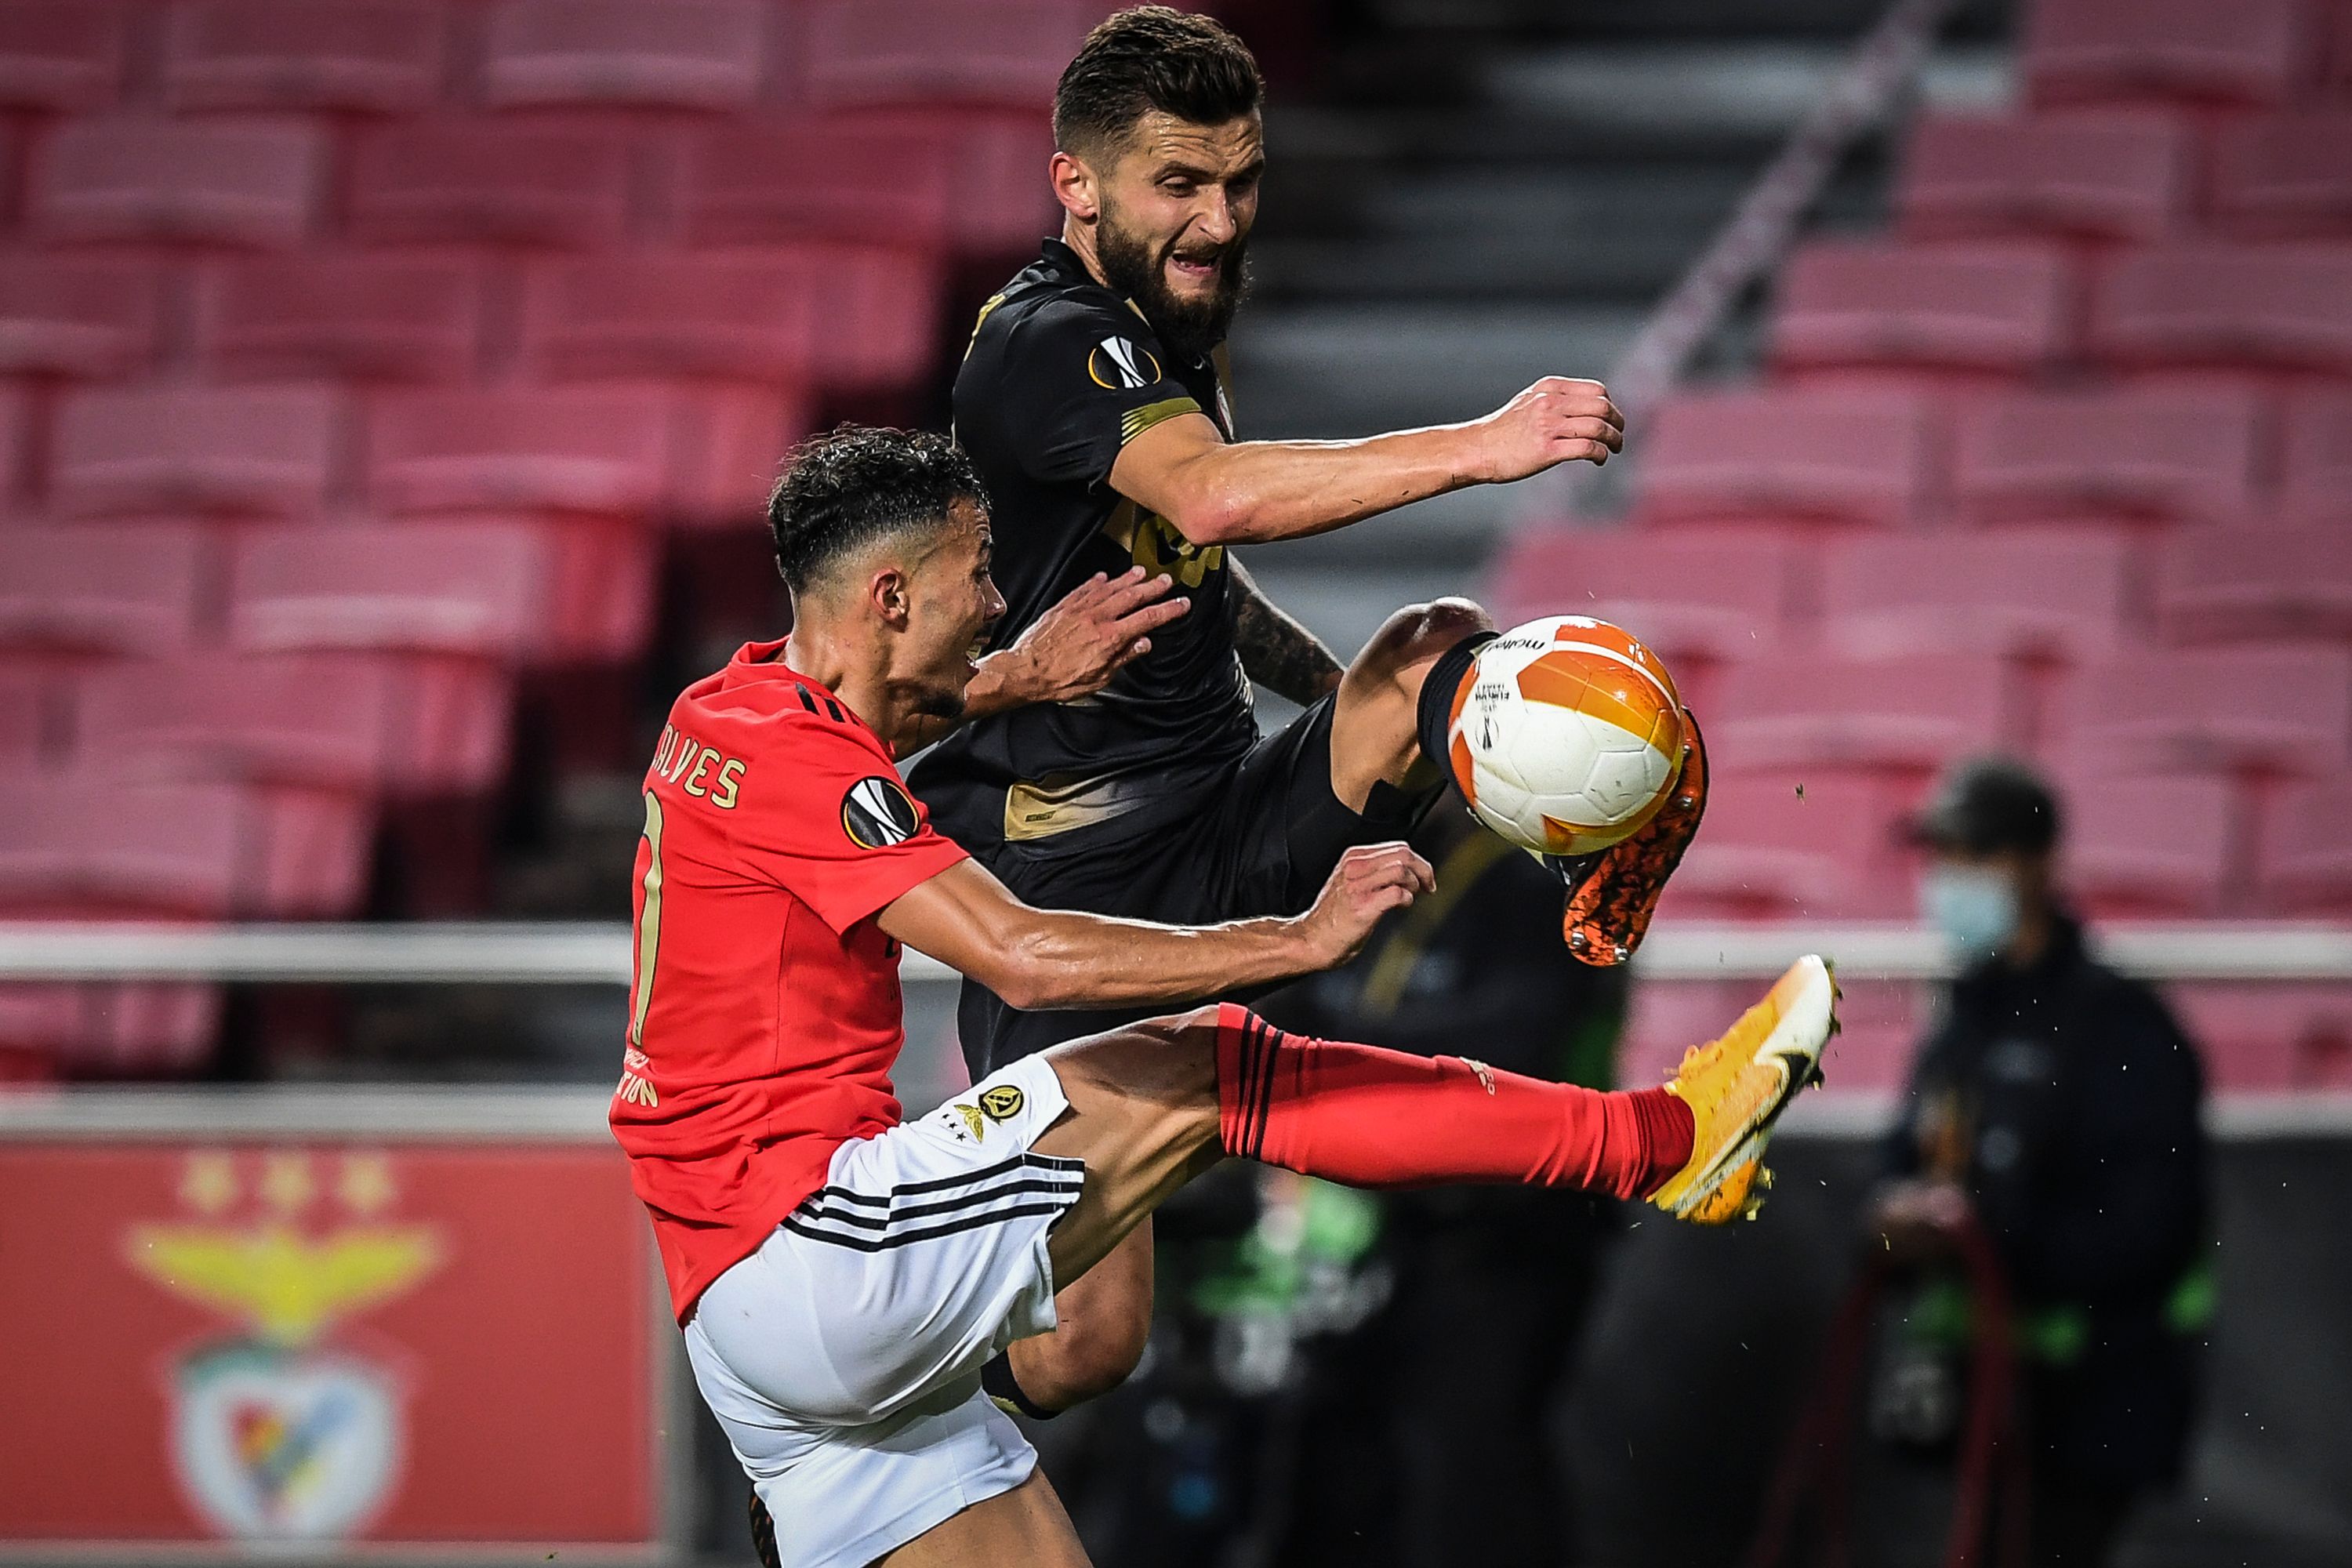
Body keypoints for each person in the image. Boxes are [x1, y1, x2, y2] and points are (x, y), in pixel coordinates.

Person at [609, 426, 1834, 1568]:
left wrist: (1006, 681)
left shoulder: (718, 714)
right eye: (978, 577)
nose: (996, 605)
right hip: (813, 1249)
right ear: (892, 599)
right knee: (1217, 1069)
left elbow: (864, 719)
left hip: (745, 1333)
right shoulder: (801, 764)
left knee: (1097, 1332)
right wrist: (1294, 940)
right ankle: (1659, 1143)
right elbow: (1024, 957)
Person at [909, 3, 1696, 1418]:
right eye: (1181, 185)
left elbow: (1199, 566)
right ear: (1075, 183)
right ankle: (887, 1326)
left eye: (1243, 180)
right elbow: (1216, 496)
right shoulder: (1052, 343)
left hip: (1221, 822)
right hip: (1084, 888)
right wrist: (1487, 443)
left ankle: (1617, 822)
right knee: (1084, 1349)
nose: (1220, 219)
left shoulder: (1161, 329)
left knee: (1433, 650)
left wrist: (1363, 719)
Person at [1868, 757, 2209, 1567]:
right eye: (1943, 857)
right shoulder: (1967, 1017)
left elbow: (2149, 1227)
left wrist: (1982, 1236)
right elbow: (1905, 1153)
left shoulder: (2124, 1027)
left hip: (2090, 1402)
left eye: (1975, 856)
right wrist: (1895, 1221)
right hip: (1986, 1395)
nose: (1951, 879)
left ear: (2038, 863)